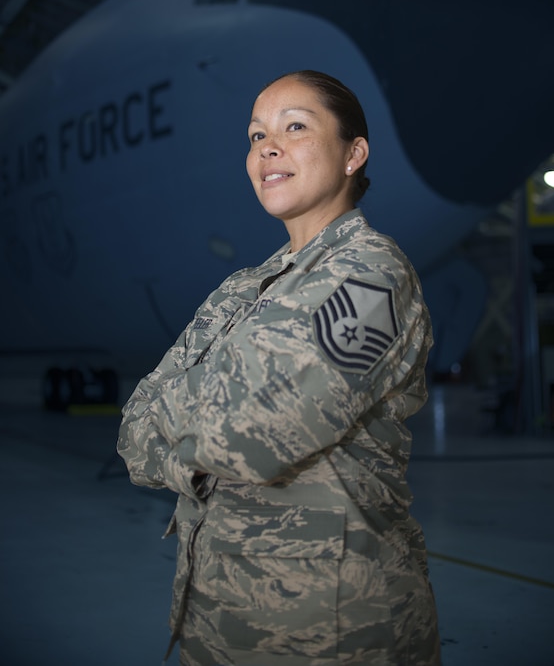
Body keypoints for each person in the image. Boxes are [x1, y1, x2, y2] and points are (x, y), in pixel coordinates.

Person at [117, 70, 441, 666]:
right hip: (218, 620)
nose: (267, 147)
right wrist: (208, 416)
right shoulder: (242, 289)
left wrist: (184, 422)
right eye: (255, 134)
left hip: (331, 630)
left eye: (295, 127)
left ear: (353, 153)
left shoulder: (372, 277)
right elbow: (133, 427)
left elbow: (252, 442)